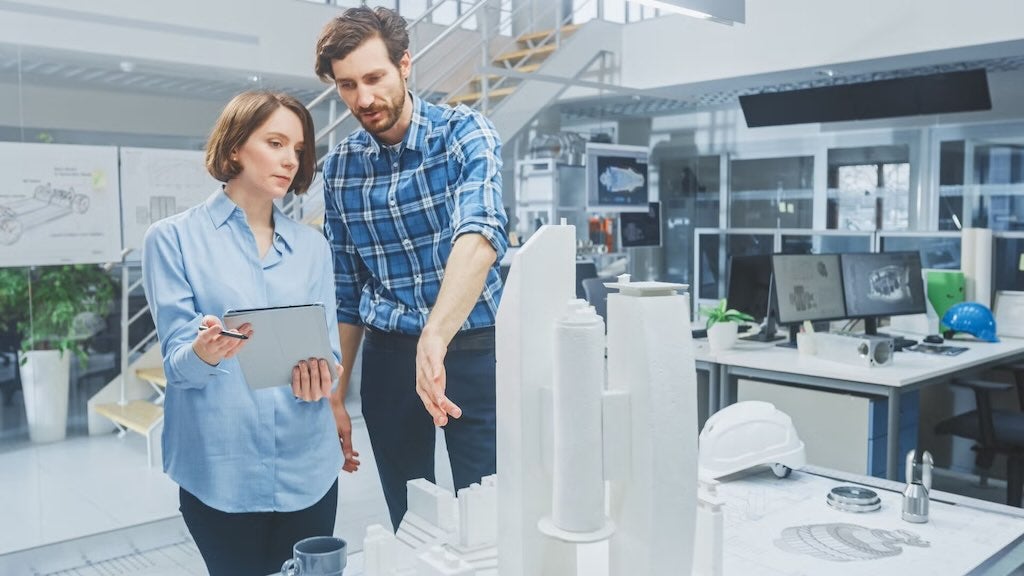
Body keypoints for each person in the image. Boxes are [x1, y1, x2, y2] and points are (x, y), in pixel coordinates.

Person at [141, 90, 360, 576]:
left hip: (309, 469)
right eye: (276, 142)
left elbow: (326, 350)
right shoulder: (173, 239)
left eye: (298, 149)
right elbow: (180, 367)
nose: (289, 159)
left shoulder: (312, 247)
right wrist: (206, 351)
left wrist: (322, 377)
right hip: (221, 474)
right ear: (236, 147)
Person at [315, 6, 508, 531]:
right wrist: (337, 390)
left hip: (473, 349)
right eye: (348, 85)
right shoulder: (339, 170)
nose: (364, 99)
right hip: (389, 357)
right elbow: (346, 287)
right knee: (410, 514)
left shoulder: (466, 133)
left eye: (374, 78)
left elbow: (481, 234)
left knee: (486, 509)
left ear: (405, 65)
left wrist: (436, 336)